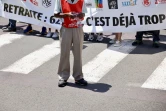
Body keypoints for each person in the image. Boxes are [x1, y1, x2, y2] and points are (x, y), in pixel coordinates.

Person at [54, 0, 88, 87]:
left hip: (78, 28)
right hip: (65, 28)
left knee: (78, 53)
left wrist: (81, 15)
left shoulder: (81, 0)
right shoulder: (60, 1)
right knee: (64, 53)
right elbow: (56, 13)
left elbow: (84, 12)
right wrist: (67, 15)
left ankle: (78, 77)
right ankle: (63, 76)